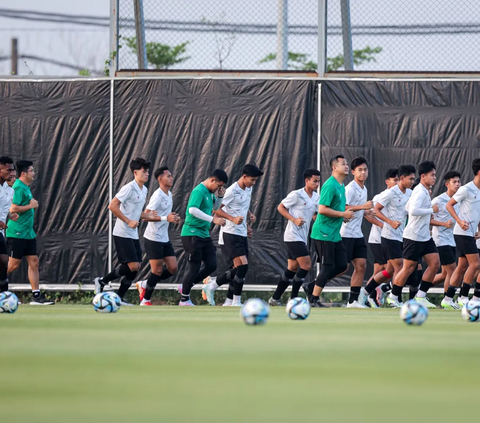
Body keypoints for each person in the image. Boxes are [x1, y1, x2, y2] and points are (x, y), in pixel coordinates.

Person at [94, 158, 157, 305]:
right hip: (122, 232)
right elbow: (112, 206)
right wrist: (128, 221)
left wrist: (147, 215)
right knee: (133, 265)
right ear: (135, 172)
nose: (147, 174)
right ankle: (102, 281)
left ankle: (119, 297)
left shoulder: (144, 190)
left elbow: (135, 211)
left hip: (133, 233)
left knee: (135, 268)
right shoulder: (129, 188)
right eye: (144, 171)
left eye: (147, 171)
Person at [203, 164, 263, 307]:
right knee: (242, 267)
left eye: (255, 180)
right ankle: (214, 287)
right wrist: (233, 219)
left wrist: (248, 218)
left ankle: (229, 301)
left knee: (238, 269)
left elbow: (242, 206)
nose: (254, 183)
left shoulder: (248, 188)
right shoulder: (231, 191)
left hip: (241, 233)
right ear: (244, 176)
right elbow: (215, 209)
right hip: (230, 233)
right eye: (252, 180)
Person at [383, 161, 440, 309]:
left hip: (424, 237)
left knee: (435, 263)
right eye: (432, 175)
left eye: (435, 175)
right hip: (413, 237)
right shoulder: (420, 191)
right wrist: (431, 210)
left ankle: (420, 296)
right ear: (423, 176)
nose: (434, 177)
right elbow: (413, 210)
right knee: (408, 268)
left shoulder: (423, 191)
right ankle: (393, 296)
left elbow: (408, 207)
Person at [358, 165, 416, 307]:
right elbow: (375, 211)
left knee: (389, 270)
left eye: (414, 179)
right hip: (388, 236)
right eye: (410, 179)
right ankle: (395, 299)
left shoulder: (410, 193)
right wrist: (389, 222)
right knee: (400, 267)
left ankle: (365, 292)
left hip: (402, 236)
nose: (412, 181)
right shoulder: (389, 193)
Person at [303, 155, 354, 307]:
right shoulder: (330, 185)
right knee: (328, 266)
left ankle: (312, 286)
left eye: (346, 163)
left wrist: (342, 217)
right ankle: (313, 300)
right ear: (334, 168)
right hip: (323, 233)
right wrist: (343, 214)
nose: (346, 166)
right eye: (343, 163)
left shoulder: (341, 186)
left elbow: (335, 208)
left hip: (334, 234)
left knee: (342, 265)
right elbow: (322, 209)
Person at [268, 168, 320, 306]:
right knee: (306, 265)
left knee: (292, 268)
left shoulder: (316, 197)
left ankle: (275, 298)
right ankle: (294, 299)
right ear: (306, 180)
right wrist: (294, 219)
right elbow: (280, 207)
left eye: (318, 182)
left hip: (303, 237)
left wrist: (318, 222)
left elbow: (314, 214)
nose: (317, 184)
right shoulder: (296, 194)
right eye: (314, 181)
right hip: (293, 235)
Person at [6, 160, 53, 305]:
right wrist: (30, 205)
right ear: (24, 173)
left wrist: (30, 205)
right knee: (12, 265)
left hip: (28, 233)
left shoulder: (25, 187)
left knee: (34, 262)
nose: (34, 173)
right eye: (31, 171)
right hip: (17, 232)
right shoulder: (18, 187)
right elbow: (12, 209)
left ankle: (36, 296)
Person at [179, 169, 228, 306]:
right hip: (191, 233)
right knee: (194, 267)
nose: (219, 188)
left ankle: (185, 286)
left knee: (211, 265)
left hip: (204, 234)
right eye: (218, 186)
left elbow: (215, 208)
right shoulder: (199, 191)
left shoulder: (210, 192)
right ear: (212, 180)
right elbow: (192, 210)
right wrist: (213, 219)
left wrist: (220, 197)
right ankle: (184, 299)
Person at [135, 167, 180, 306]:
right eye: (168, 176)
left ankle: (145, 284)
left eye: (171, 176)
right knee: (157, 270)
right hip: (153, 238)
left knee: (173, 269)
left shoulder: (169, 194)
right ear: (160, 179)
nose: (171, 178)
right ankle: (145, 300)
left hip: (164, 238)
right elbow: (146, 216)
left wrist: (173, 217)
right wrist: (167, 218)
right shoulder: (157, 195)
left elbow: (165, 215)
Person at [340, 156, 374, 308]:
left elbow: (358, 208)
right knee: (341, 268)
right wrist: (363, 207)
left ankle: (353, 301)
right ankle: (315, 285)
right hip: (345, 234)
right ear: (353, 172)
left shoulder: (364, 188)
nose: (363, 173)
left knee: (361, 265)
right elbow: (343, 208)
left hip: (357, 234)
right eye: (359, 170)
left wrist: (366, 213)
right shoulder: (349, 188)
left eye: (365, 170)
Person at [445, 158, 480, 307]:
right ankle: (464, 296)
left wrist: (479, 229)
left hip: (471, 233)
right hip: (461, 233)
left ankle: (448, 299)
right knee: (476, 264)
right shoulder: (466, 189)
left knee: (462, 266)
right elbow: (449, 205)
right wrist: (459, 221)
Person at [365, 168, 399, 307]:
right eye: (394, 180)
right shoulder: (381, 196)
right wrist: (383, 225)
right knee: (384, 269)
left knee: (387, 270)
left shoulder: (401, 196)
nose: (397, 183)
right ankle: (369, 296)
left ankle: (372, 294)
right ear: (387, 181)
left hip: (390, 239)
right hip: (378, 240)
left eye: (399, 179)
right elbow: (368, 215)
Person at [430, 171, 461, 309]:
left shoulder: (459, 200)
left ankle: (420, 289)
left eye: (459, 182)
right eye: (454, 182)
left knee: (444, 274)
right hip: (440, 240)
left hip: (452, 240)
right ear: (447, 184)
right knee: (453, 271)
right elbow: (427, 220)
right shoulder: (438, 200)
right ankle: (447, 300)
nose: (457, 184)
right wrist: (443, 224)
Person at [0, 156, 18, 293]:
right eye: (9, 170)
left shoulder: (8, 188)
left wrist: (10, 216)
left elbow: (4, 209)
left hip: (1, 232)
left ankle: (4, 294)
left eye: (13, 170)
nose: (12, 173)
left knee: (4, 261)